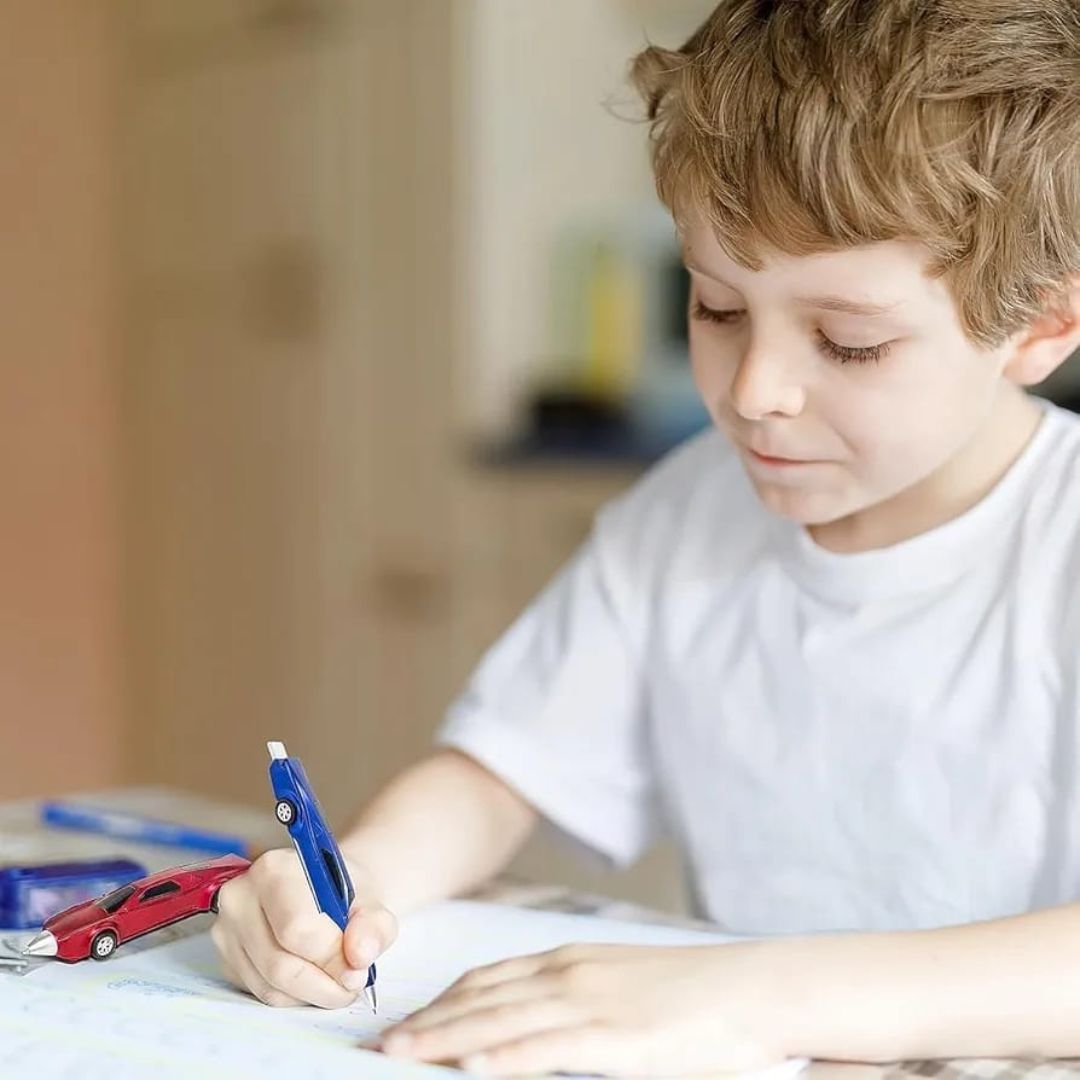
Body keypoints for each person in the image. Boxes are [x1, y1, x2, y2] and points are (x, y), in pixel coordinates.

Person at [212, 1, 1080, 1074]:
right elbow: (494, 778)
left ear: (1042, 323)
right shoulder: (686, 517)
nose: (755, 393)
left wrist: (753, 996)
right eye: (714, 306)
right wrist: (351, 886)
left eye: (847, 343)